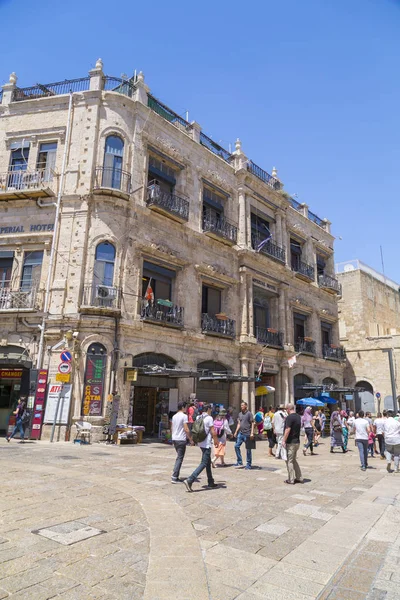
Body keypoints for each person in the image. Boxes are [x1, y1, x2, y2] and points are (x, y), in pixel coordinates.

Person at [184, 404, 219, 492]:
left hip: (200, 442)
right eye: (211, 409)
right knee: (204, 463)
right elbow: (213, 432)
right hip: (206, 443)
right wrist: (216, 441)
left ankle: (210, 482)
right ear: (208, 409)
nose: (211, 410)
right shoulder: (209, 418)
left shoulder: (199, 417)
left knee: (207, 462)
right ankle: (190, 480)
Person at [171, 402, 194, 483]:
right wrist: (191, 439)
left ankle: (175, 474)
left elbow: (172, 427)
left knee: (179, 457)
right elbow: (186, 429)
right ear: (183, 407)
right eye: (186, 407)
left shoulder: (174, 416)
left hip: (175, 438)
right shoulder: (184, 416)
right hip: (181, 439)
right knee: (180, 458)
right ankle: (174, 476)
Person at [282, 403, 303, 485]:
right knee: (293, 460)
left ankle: (291, 479)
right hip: (297, 441)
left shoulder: (289, 417)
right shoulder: (298, 416)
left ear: (288, 409)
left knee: (289, 461)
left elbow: (287, 429)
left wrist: (284, 440)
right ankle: (299, 477)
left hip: (291, 442)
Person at [234, 401, 255, 470]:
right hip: (241, 433)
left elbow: (252, 423)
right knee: (236, 446)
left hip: (248, 434)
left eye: (243, 405)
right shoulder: (240, 414)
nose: (241, 406)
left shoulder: (249, 414)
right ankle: (239, 461)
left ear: (246, 406)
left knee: (248, 449)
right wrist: (236, 431)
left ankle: (248, 464)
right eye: (241, 405)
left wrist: (252, 433)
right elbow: (239, 423)